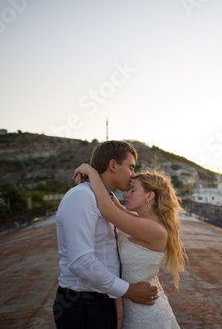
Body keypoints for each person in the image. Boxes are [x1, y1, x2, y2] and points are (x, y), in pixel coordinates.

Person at [53, 141, 158, 329]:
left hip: (101, 300)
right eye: (131, 167)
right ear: (112, 165)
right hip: (82, 305)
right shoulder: (82, 197)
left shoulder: (103, 199)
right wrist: (128, 290)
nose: (133, 174)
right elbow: (80, 260)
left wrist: (93, 174)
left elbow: (125, 214)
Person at [73, 163, 188, 329]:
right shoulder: (146, 222)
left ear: (149, 196)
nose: (126, 194)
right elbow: (114, 204)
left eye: (133, 190)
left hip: (148, 316)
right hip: (138, 308)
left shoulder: (153, 229)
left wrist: (91, 172)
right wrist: (106, 184)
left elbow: (107, 208)